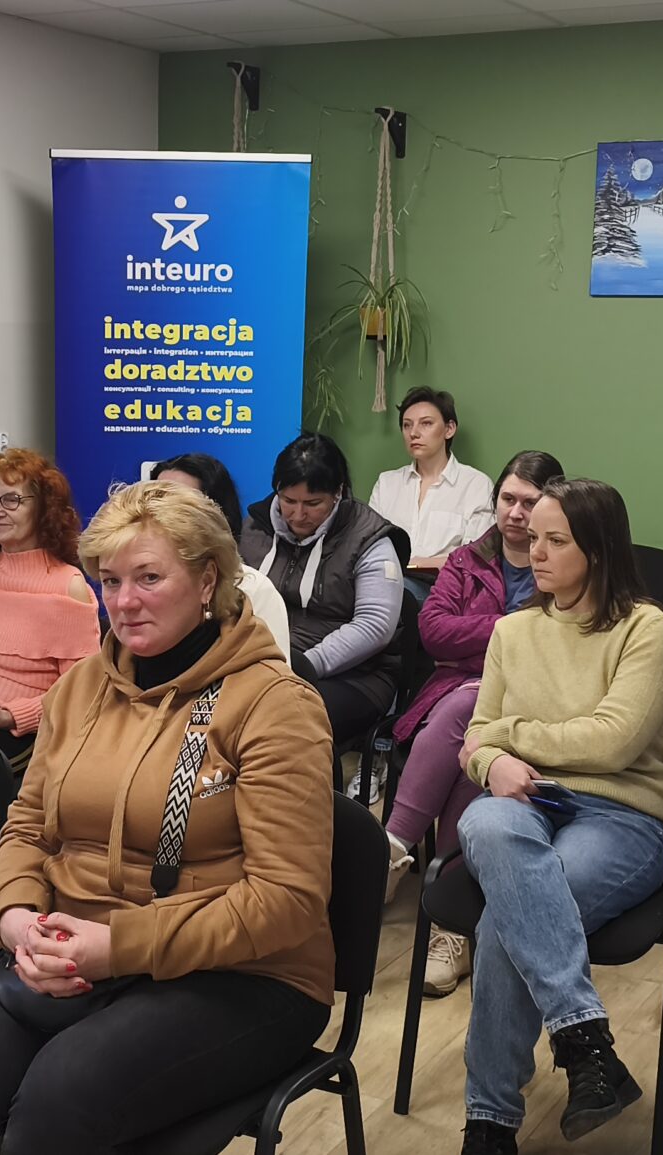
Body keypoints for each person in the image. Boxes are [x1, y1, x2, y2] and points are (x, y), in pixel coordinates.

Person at [0, 481, 335, 1155]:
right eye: (110, 580)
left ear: (207, 579)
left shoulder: (275, 705)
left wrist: (118, 946)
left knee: (58, 1100)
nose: (124, 602)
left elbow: (288, 900)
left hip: (244, 974)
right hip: (75, 948)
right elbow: (27, 826)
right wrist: (16, 921)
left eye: (149, 578)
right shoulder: (81, 687)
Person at [451, 478, 663, 1155]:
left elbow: (612, 743)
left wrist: (505, 740)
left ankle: (489, 1122)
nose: (535, 551)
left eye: (556, 540)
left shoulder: (646, 628)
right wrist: (490, 765)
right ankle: (586, 1045)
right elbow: (475, 741)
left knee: (508, 919)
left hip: (622, 814)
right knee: (485, 824)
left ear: (599, 549)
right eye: (533, 538)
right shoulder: (514, 630)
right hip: (524, 801)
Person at [380, 450, 565, 998]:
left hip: (536, 704)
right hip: (457, 697)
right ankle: (452, 925)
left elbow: (554, 649)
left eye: (529, 502)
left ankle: (391, 849)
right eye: (507, 499)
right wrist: (510, 628)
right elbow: (433, 631)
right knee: (472, 733)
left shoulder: (566, 563)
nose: (516, 512)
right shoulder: (467, 559)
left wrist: (487, 636)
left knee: (471, 712)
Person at [239, 433, 408, 748]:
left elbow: (375, 625)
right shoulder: (254, 528)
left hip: (354, 676)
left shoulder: (369, 538)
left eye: (313, 504)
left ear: (337, 493)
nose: (298, 515)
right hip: (262, 663)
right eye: (288, 501)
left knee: (284, 719)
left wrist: (302, 665)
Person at [0, 449, 97, 773]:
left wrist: (14, 715)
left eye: (12, 500)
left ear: (43, 509)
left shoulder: (68, 586)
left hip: (18, 735)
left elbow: (82, 693)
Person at [152, 451, 289, 653]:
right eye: (156, 501)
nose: (162, 515)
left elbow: (275, 670)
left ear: (216, 513)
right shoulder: (135, 587)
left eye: (180, 506)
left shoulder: (253, 589)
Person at [367, 386, 494, 572]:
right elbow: (369, 547)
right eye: (407, 425)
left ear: (449, 429)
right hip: (387, 580)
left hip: (446, 583)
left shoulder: (476, 485)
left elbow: (475, 558)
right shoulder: (387, 484)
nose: (414, 433)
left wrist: (416, 564)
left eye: (426, 423)